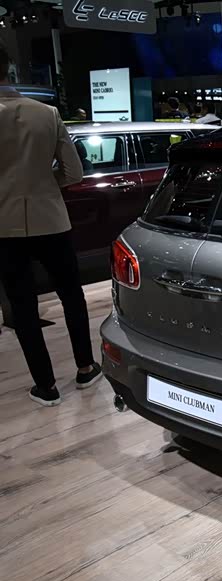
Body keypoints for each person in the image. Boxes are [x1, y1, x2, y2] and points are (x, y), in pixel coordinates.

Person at [0, 43, 103, 407]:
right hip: (52, 220)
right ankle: (86, 367)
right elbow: (73, 172)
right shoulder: (48, 113)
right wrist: (43, 184)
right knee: (71, 295)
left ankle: (46, 387)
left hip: (4, 227)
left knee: (23, 307)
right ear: (10, 70)